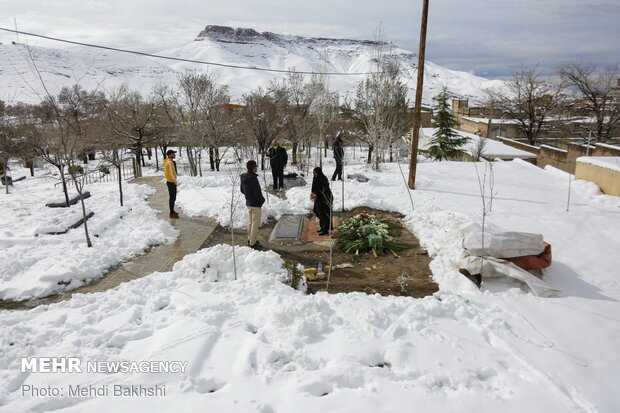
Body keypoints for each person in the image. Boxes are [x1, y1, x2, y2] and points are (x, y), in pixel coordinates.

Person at [240, 160, 266, 249]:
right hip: (255, 205)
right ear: (253, 167)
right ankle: (253, 243)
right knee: (255, 224)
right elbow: (257, 194)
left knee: (251, 222)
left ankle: (250, 239)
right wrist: (262, 201)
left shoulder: (243, 177)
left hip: (248, 203)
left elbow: (242, 190)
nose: (257, 168)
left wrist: (249, 197)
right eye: (256, 166)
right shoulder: (253, 179)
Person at [311, 167, 333, 236]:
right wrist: (312, 193)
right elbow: (313, 187)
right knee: (318, 213)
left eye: (315, 173)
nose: (314, 174)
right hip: (318, 198)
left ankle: (325, 230)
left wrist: (317, 194)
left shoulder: (323, 179)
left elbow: (325, 190)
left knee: (324, 214)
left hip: (325, 198)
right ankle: (322, 227)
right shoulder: (315, 178)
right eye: (313, 173)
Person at [163, 149, 179, 219]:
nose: (174, 155)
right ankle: (171, 213)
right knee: (172, 198)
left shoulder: (169, 161)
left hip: (170, 181)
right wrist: (175, 181)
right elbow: (171, 173)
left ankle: (172, 211)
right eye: (173, 153)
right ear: (169, 155)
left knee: (173, 198)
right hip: (171, 182)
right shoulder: (169, 163)